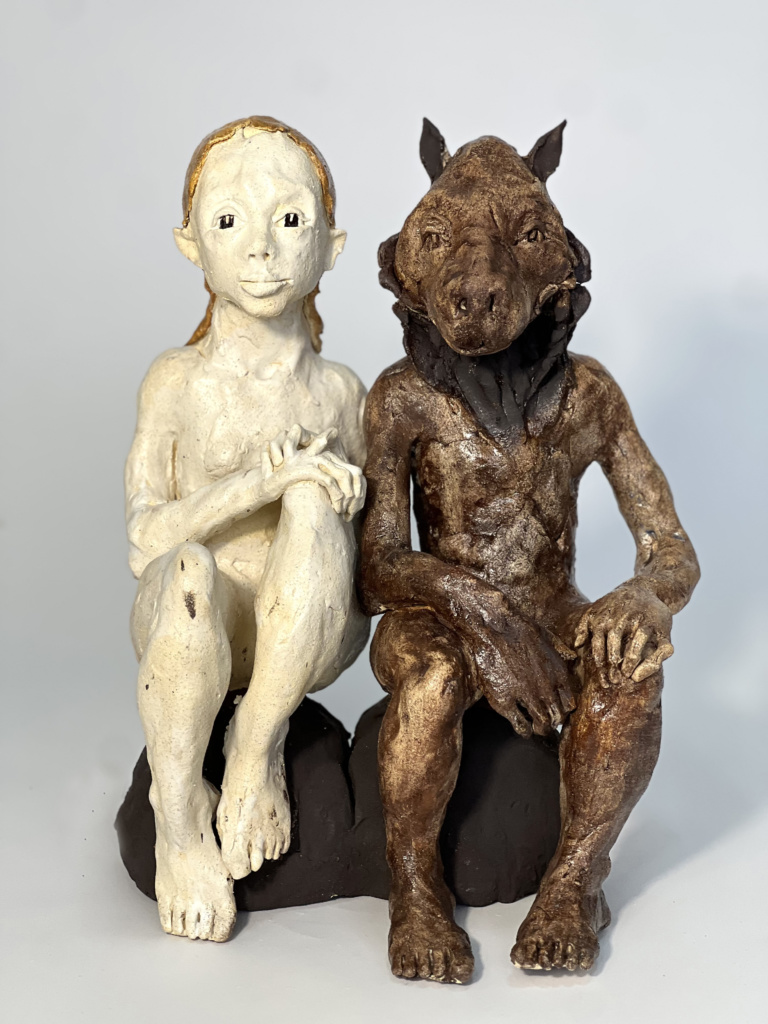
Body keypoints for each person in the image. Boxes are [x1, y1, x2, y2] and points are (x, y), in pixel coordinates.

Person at [125, 117, 368, 942]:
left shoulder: (342, 393)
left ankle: (256, 748)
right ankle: (178, 821)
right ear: (190, 244)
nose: (261, 248)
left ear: (331, 246)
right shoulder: (176, 381)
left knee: (312, 502)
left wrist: (329, 492)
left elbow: (370, 562)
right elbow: (144, 541)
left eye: (289, 219)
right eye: (229, 221)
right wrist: (256, 482)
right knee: (190, 569)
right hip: (192, 626)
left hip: (308, 633)